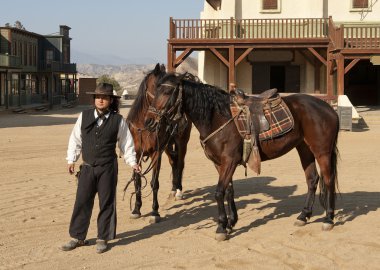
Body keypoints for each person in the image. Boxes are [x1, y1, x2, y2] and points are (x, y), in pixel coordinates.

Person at [61, 83, 140, 254]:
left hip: (108, 168)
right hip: (87, 168)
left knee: (107, 203)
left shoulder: (118, 120)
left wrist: (132, 162)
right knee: (82, 201)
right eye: (98, 97)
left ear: (111, 100)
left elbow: (126, 144)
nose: (100, 100)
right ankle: (77, 237)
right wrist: (71, 159)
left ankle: (103, 238)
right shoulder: (84, 116)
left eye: (104, 97)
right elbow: (75, 139)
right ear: (94, 99)